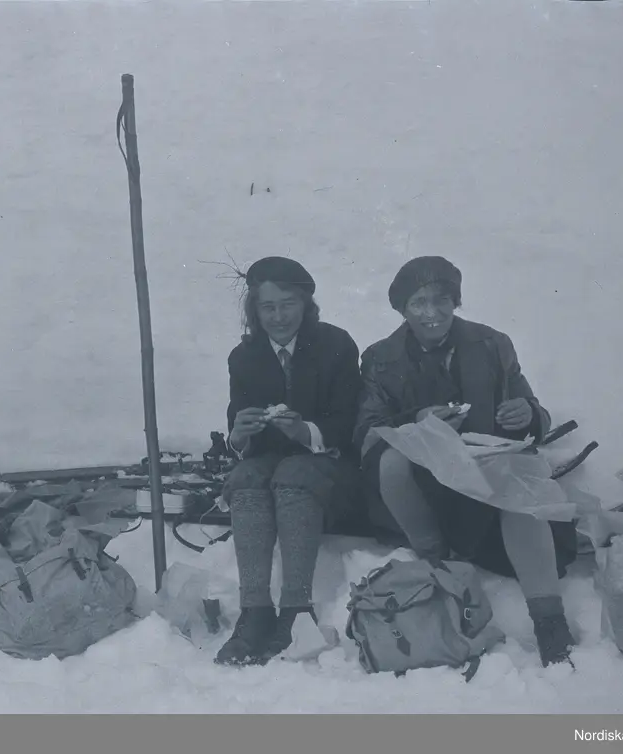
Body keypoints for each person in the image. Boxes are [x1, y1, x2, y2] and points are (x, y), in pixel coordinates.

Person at [353, 256, 578, 667]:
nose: (432, 313)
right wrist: (419, 421)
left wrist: (528, 413)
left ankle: (550, 621)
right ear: (402, 309)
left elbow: (534, 410)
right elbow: (367, 432)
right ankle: (438, 564)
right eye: (419, 303)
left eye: (441, 300)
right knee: (392, 461)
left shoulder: (492, 344)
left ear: (455, 301)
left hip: (487, 481)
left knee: (520, 493)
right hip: (424, 492)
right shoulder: (381, 358)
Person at [215, 256, 363, 666]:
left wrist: (306, 432)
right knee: (246, 477)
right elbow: (238, 430)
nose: (278, 317)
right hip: (271, 462)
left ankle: (297, 610)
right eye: (268, 307)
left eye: (288, 305)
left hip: (331, 466)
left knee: (294, 473)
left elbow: (349, 424)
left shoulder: (335, 345)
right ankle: (254, 611)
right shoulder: (244, 356)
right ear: (255, 310)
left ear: (306, 304)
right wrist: (240, 434)